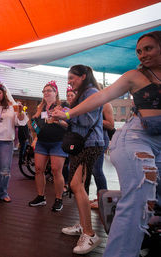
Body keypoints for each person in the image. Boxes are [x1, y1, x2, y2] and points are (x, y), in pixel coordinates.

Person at [52, 31, 161, 257]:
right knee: (139, 196)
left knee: (150, 202)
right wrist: (68, 114)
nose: (142, 55)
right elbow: (99, 100)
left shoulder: (86, 90)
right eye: (139, 51)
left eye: (148, 49)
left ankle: (110, 211)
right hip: (135, 139)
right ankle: (100, 232)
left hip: (97, 144)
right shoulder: (134, 76)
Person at [49, 65, 105, 255]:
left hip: (90, 144)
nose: (70, 81)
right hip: (83, 143)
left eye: (72, 77)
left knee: (76, 185)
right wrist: (60, 118)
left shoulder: (91, 92)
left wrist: (65, 114)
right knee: (78, 185)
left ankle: (90, 234)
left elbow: (87, 121)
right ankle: (83, 225)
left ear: (83, 76)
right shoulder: (83, 93)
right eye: (68, 78)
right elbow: (75, 125)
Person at [28, 81, 68, 212]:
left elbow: (69, 124)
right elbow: (34, 126)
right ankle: (41, 197)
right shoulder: (40, 107)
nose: (46, 93)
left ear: (55, 92)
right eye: (44, 91)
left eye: (49, 90)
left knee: (56, 170)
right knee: (39, 169)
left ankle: (58, 199)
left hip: (58, 142)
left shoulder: (63, 106)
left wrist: (58, 120)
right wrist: (33, 122)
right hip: (42, 142)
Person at [90, 101, 114, 209]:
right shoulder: (87, 103)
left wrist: (94, 118)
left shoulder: (106, 105)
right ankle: (100, 197)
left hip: (100, 138)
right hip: (89, 139)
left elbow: (111, 125)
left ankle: (103, 200)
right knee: (93, 170)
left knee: (97, 170)